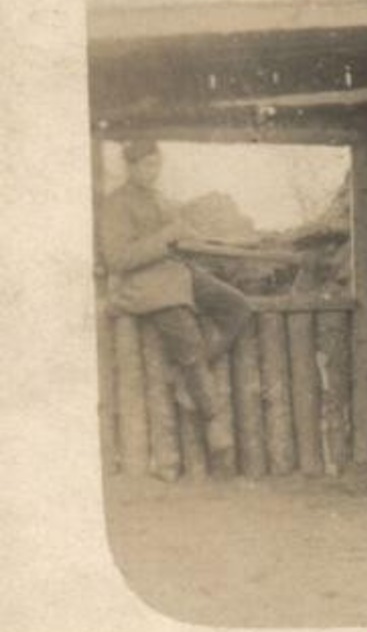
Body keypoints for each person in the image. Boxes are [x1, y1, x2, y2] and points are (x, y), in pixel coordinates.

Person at [99, 139, 253, 478]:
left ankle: (189, 378)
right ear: (131, 167)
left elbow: (176, 241)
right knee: (184, 331)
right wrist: (167, 237)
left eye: (156, 165)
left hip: (175, 274)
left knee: (237, 306)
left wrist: (195, 237)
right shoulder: (115, 204)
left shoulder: (160, 199)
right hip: (142, 285)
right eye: (145, 166)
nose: (152, 172)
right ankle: (213, 419)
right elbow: (117, 259)